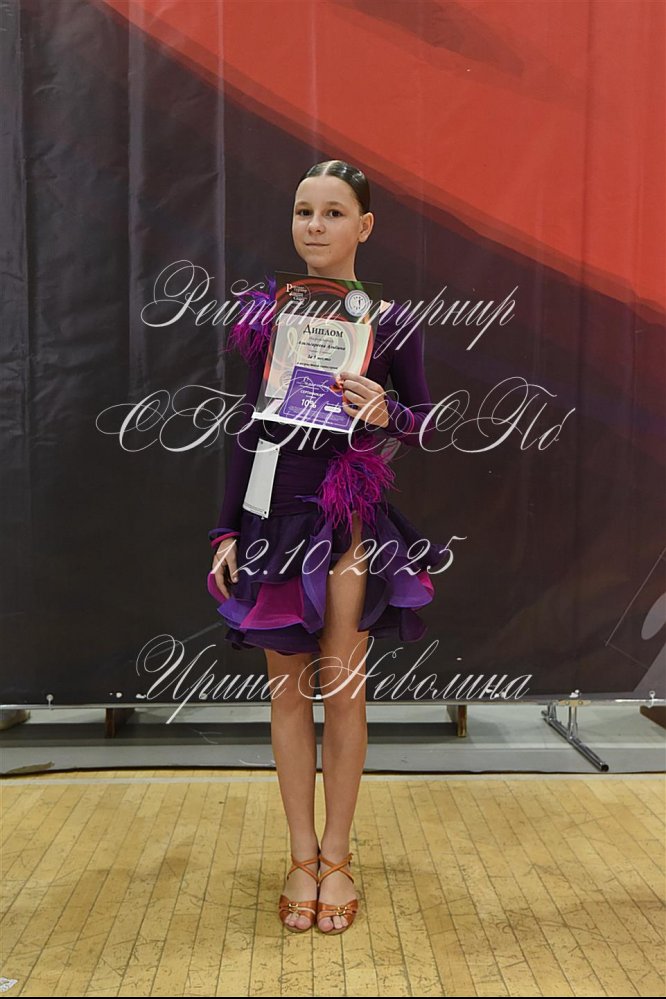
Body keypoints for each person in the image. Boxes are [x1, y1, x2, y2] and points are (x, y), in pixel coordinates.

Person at [207, 160, 447, 934]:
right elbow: (251, 423)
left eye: (333, 212)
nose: (314, 224)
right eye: (303, 209)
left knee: (342, 688)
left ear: (363, 226)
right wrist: (225, 528)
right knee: (286, 692)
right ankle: (300, 854)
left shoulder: (392, 321)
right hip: (273, 516)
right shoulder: (267, 314)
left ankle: (338, 858)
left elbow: (425, 422)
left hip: (348, 519)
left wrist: (387, 414)